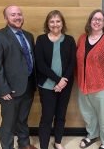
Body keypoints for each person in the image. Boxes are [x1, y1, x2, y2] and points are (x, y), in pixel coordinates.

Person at [0, 5, 37, 149]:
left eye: (19, 14)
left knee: (23, 119)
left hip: (27, 86)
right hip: (8, 90)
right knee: (8, 123)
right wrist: (3, 90)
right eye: (13, 14)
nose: (17, 17)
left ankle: (24, 144)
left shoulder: (28, 36)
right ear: (6, 18)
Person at [76, 9, 104, 149]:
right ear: (90, 21)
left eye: (99, 19)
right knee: (88, 114)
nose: (96, 21)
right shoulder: (82, 38)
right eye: (94, 19)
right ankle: (92, 135)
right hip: (84, 85)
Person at [35, 10, 76, 149]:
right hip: (47, 86)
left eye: (58, 21)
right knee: (47, 117)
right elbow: (40, 64)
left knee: (61, 115)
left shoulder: (70, 40)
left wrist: (62, 81)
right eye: (52, 21)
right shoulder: (41, 40)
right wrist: (58, 80)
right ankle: (44, 146)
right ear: (47, 23)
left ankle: (57, 142)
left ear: (62, 23)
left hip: (65, 85)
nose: (55, 24)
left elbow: (72, 63)